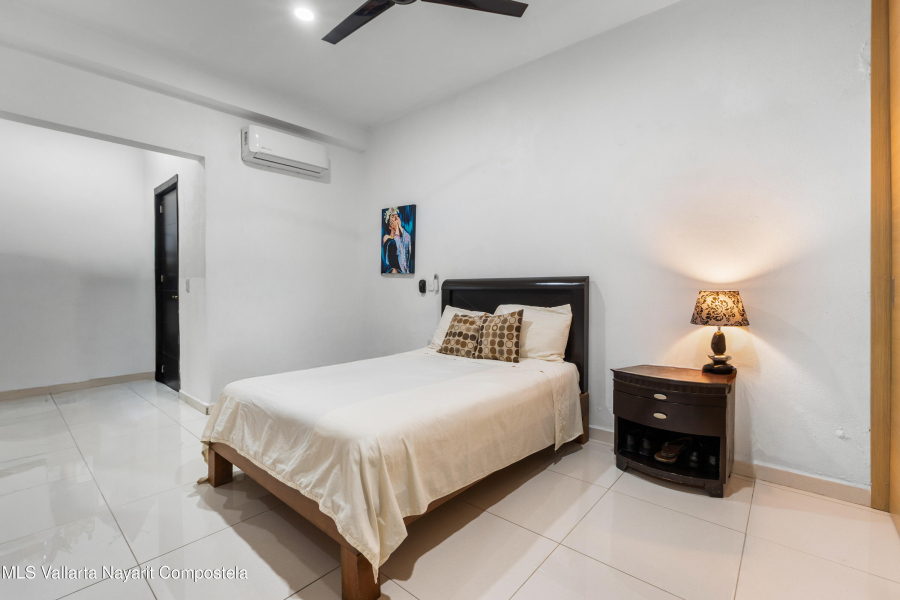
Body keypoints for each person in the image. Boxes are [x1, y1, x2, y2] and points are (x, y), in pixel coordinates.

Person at [382, 207, 411, 273]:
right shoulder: (386, 237)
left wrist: (399, 226)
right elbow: (394, 247)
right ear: (389, 226)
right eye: (393, 217)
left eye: (397, 216)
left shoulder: (402, 238)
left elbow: (407, 242)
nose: (395, 218)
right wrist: (397, 228)